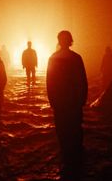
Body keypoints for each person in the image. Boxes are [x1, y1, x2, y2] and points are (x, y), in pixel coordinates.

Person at [46, 31, 88, 178]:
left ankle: (66, 157)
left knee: (62, 130)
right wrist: (83, 98)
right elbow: (82, 80)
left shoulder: (53, 58)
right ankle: (76, 159)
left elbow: (49, 82)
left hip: (60, 101)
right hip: (73, 101)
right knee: (75, 129)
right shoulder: (76, 58)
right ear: (71, 41)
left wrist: (52, 99)